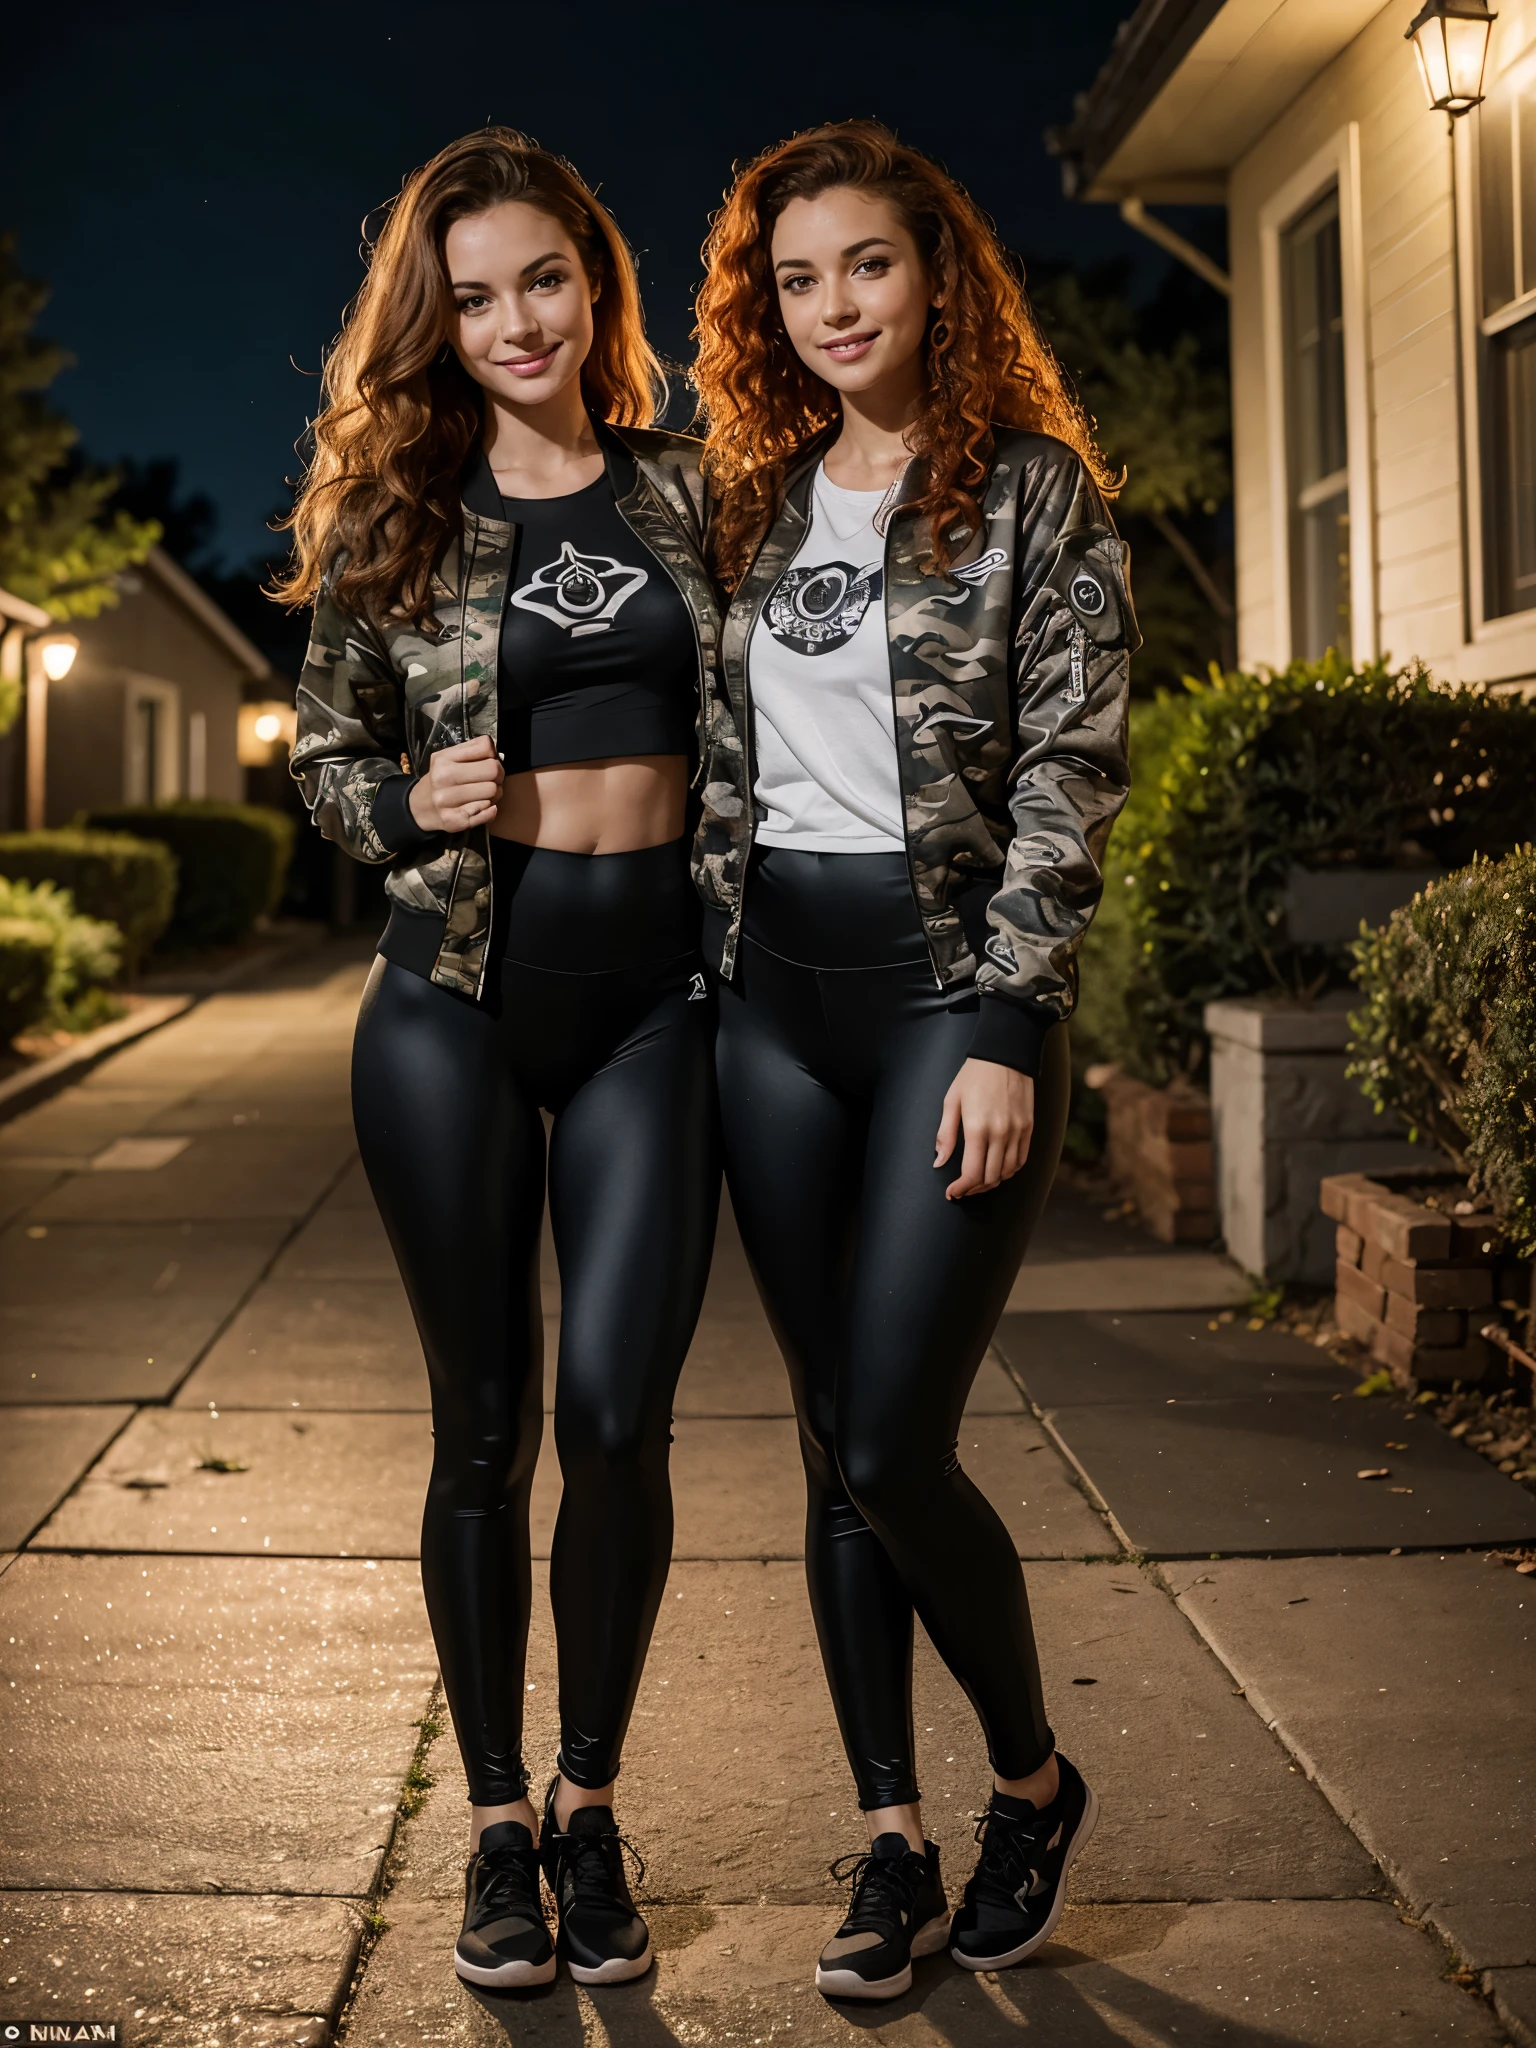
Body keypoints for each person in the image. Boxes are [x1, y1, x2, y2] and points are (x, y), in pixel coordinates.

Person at [690, 119, 1136, 2001]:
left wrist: (1018, 1019)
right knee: (827, 1449)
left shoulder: (1034, 493)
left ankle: (1030, 1780)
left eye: (865, 264)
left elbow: (1071, 765)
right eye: (795, 279)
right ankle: (893, 1842)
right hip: (771, 1001)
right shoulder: (759, 505)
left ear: (935, 274)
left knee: (895, 1435)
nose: (832, 306)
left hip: (952, 997)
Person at [280, 129, 724, 1991]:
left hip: (654, 1006)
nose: (513, 322)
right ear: (436, 320)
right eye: (471, 297)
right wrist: (407, 794)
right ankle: (491, 1828)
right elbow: (320, 758)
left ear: (593, 285)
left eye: (542, 280)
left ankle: (594, 1799)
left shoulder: (708, 496)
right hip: (452, 1004)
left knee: (617, 1418)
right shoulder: (401, 514)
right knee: (487, 1427)